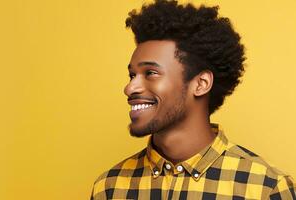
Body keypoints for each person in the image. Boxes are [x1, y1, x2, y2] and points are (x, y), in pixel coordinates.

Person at [90, 0, 295, 199]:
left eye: (150, 73)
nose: (129, 88)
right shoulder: (109, 188)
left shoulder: (265, 189)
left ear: (201, 84)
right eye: (132, 76)